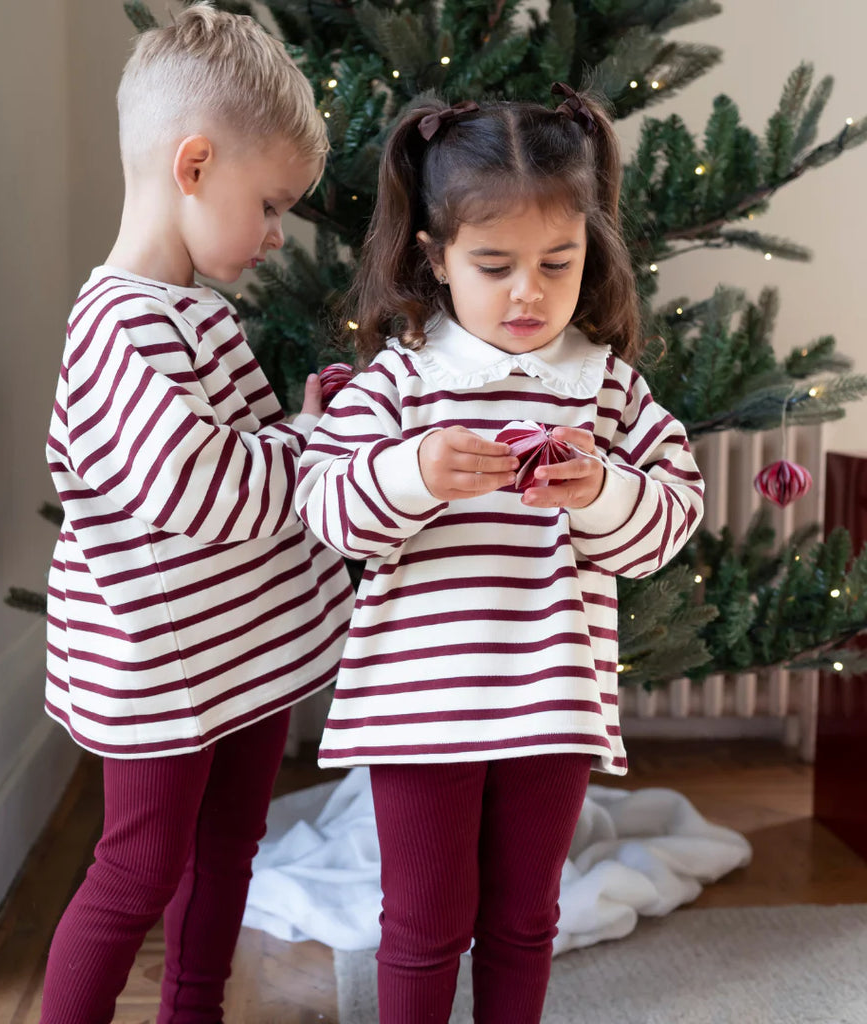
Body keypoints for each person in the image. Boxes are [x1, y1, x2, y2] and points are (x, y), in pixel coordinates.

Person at [295, 86, 705, 1023]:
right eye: (495, 264)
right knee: (424, 924)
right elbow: (325, 510)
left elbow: (671, 522)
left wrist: (602, 490)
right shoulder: (399, 383)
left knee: (525, 921)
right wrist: (413, 474)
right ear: (437, 260)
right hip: (417, 708)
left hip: (549, 701)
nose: (530, 291)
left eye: (558, 263)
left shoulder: (605, 390)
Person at [38, 6, 354, 1022]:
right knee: (137, 869)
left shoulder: (191, 311)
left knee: (228, 850)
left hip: (236, 651)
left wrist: (299, 421)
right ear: (194, 164)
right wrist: (302, 449)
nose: (273, 234)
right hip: (165, 667)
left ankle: (194, 1008)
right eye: (268, 204)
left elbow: (232, 456)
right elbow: (201, 489)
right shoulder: (124, 325)